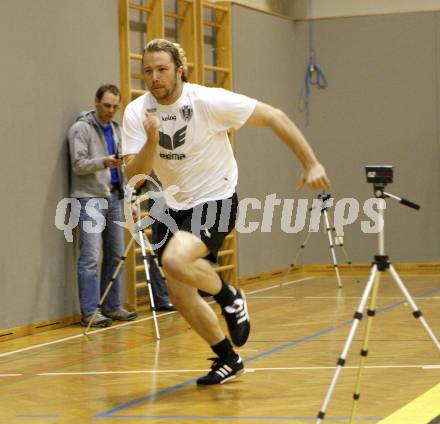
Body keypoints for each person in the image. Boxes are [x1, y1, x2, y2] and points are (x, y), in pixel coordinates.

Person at [121, 39, 331, 384]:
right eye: (148, 71)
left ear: (179, 70)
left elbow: (275, 116)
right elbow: (134, 174)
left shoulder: (207, 101)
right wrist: (151, 143)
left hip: (215, 197)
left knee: (175, 260)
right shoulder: (137, 112)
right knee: (179, 293)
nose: (154, 77)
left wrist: (311, 163)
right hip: (172, 204)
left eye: (162, 69)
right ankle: (227, 358)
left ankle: (228, 295)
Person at [68, 84, 173, 326]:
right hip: (90, 198)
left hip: (115, 198)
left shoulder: (116, 130)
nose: (111, 111)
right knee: (91, 256)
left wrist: (130, 199)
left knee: (116, 255)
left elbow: (126, 169)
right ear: (96, 102)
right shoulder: (80, 129)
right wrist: (105, 162)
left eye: (115, 106)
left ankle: (112, 306)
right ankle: (90, 311)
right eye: (106, 105)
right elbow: (78, 164)